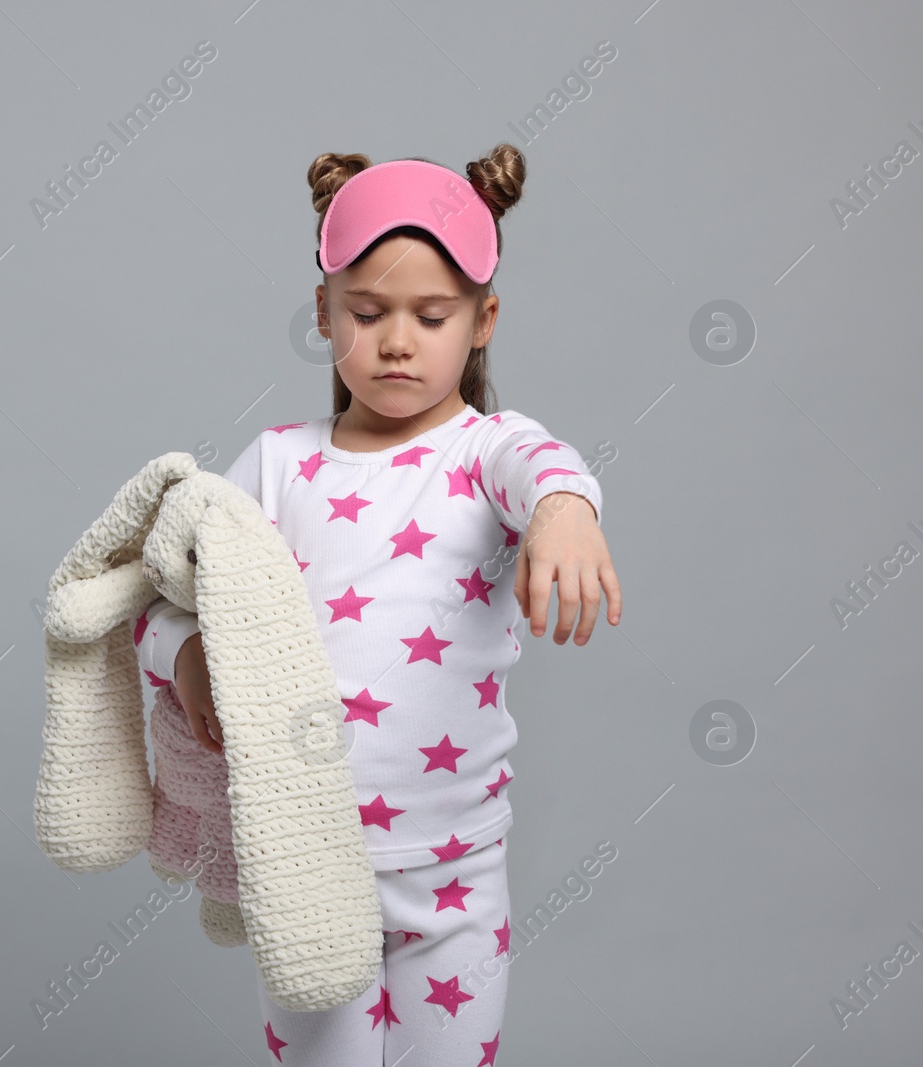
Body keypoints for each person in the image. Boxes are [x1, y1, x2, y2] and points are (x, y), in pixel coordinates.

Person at [133, 144, 623, 1066]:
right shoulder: (279, 465)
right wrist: (187, 655)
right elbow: (153, 602)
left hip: (456, 871)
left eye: (431, 315)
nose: (399, 338)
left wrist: (563, 513)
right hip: (308, 865)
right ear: (323, 313)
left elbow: (547, 468)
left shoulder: (486, 454)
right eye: (368, 311)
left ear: (483, 320)